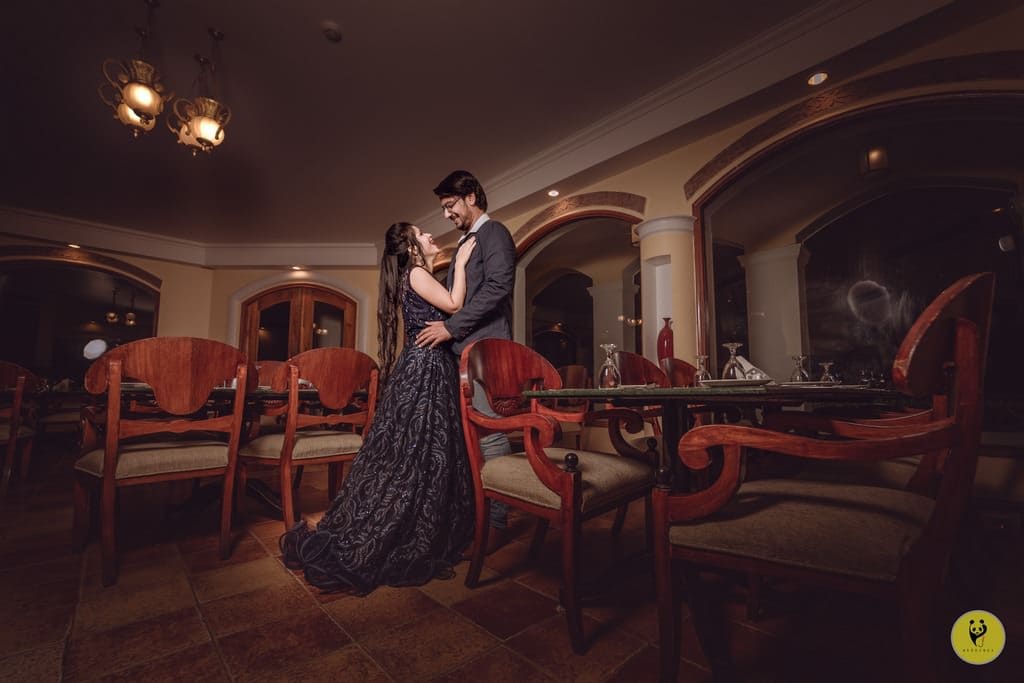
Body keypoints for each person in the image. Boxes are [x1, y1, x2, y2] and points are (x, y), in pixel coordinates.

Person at [279, 222, 477, 594]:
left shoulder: (413, 276)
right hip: (426, 367)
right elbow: (454, 305)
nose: (429, 235)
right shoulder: (416, 273)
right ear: (411, 246)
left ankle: (423, 516)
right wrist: (463, 263)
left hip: (424, 365)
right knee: (420, 450)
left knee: (419, 450)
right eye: (421, 233)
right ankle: (409, 523)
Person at [415, 170, 516, 548]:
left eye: (450, 205)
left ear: (471, 196)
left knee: (490, 433)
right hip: (463, 353)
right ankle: (477, 515)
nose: (446, 215)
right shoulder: (465, 244)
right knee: (469, 437)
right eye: (443, 208)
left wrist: (451, 327)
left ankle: (497, 523)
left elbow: (498, 286)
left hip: (486, 351)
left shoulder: (494, 233)